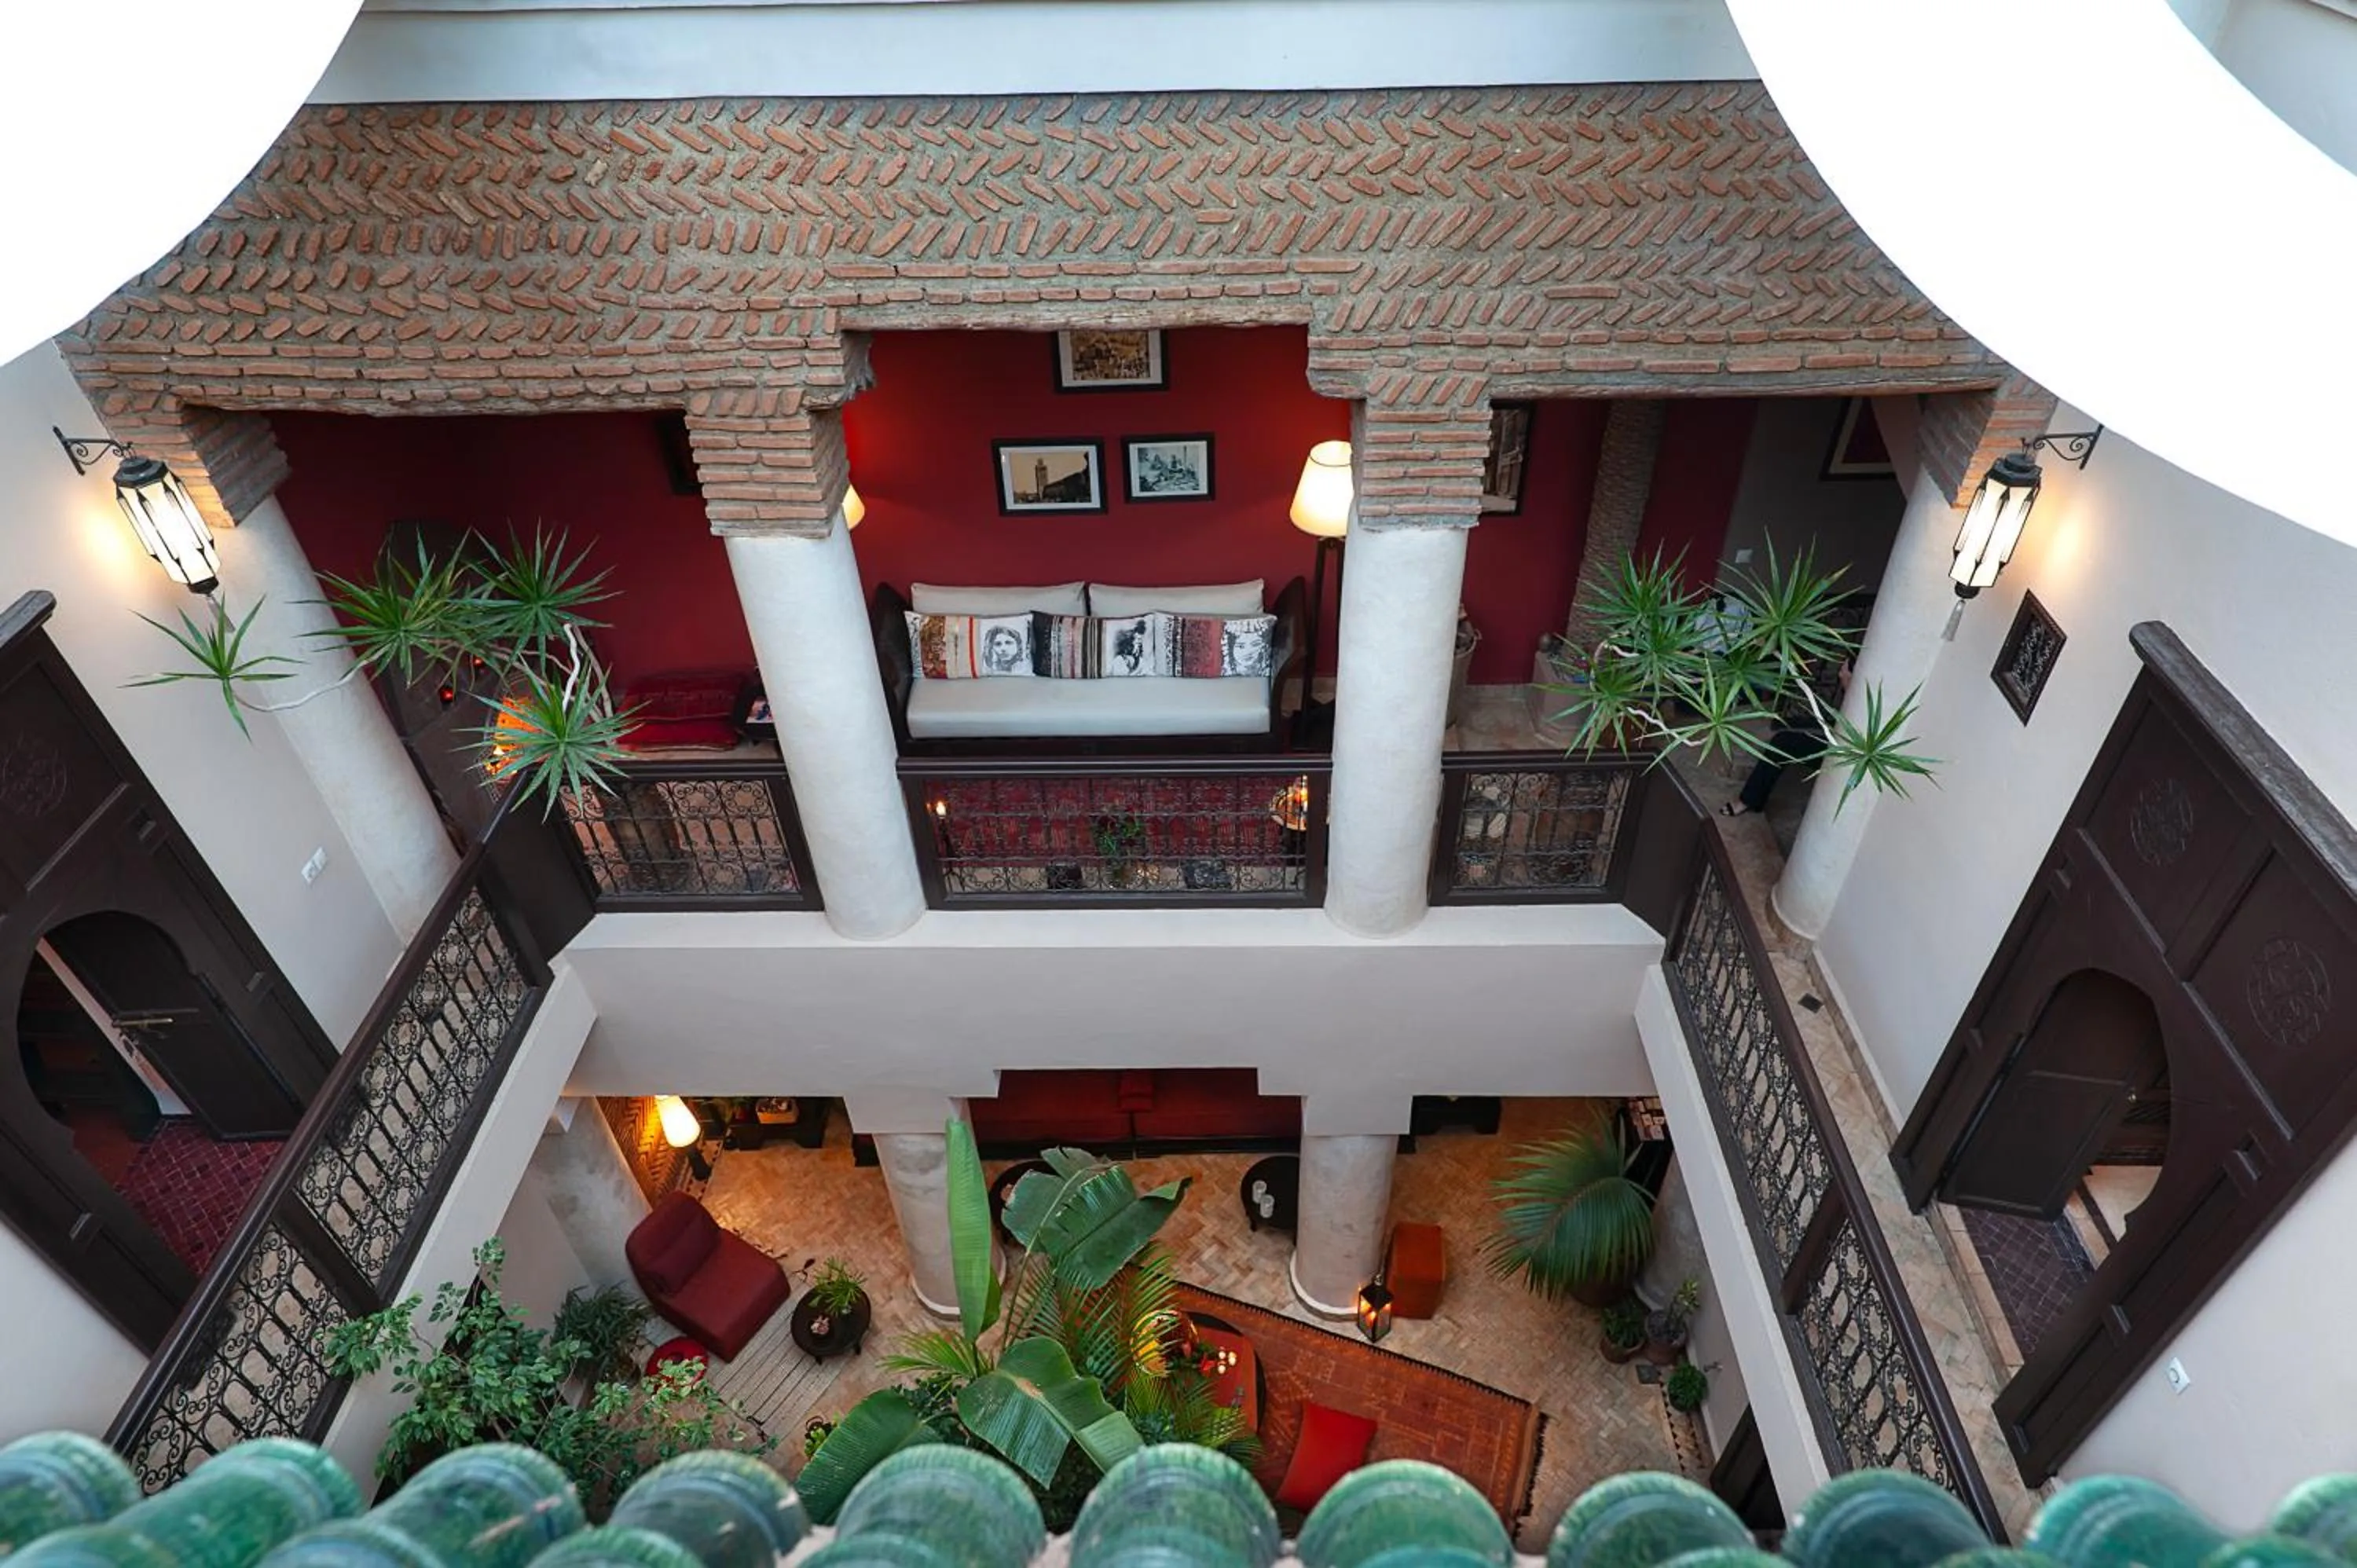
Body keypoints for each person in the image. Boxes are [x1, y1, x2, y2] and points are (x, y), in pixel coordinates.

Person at [1721, 660, 1851, 818]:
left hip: (1851, 752)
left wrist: (1848, 685)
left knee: (1783, 743)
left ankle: (1748, 800)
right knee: (1786, 735)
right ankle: (1750, 800)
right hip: (1839, 735)